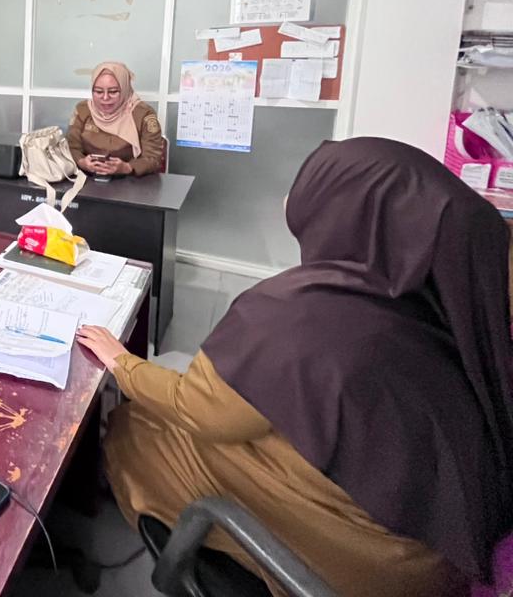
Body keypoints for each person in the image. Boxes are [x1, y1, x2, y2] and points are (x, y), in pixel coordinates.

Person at [76, 137, 513, 597]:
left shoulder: (302, 314)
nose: (292, 199)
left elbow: (200, 409)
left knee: (135, 426)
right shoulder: (450, 303)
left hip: (369, 564)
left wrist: (122, 362)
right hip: (433, 547)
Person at [67, 61, 164, 177]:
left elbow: (153, 158)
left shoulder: (143, 114)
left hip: (131, 181)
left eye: (113, 92)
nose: (105, 97)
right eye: (98, 91)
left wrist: (127, 167)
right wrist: (82, 162)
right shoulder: (83, 110)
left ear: (125, 89)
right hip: (88, 178)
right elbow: (71, 147)